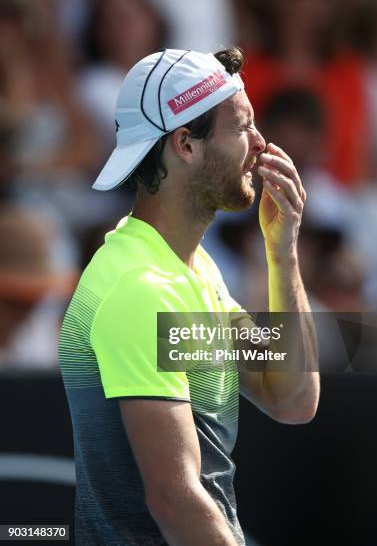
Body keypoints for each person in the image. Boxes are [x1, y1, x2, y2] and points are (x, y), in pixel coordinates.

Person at [59, 47, 320, 545]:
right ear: (185, 144)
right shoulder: (140, 290)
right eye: (242, 128)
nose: (262, 145)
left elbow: (292, 397)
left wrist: (282, 253)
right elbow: (175, 501)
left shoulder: (191, 267)